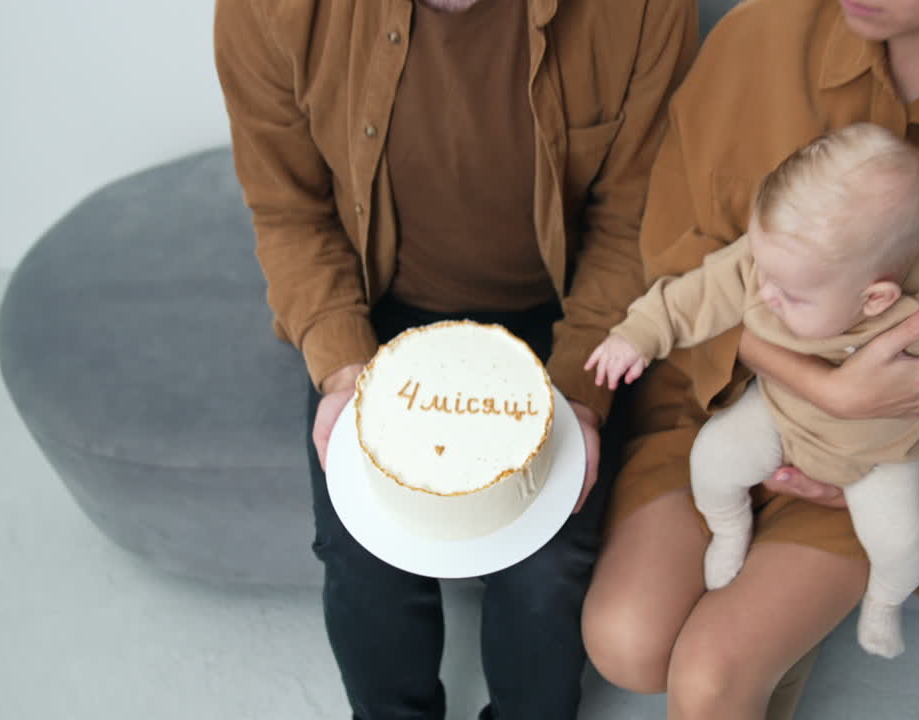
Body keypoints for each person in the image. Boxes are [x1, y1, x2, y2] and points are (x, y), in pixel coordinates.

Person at [581, 1, 919, 718]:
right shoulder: (760, 35)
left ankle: (775, 636)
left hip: (879, 457)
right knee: (628, 644)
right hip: (709, 406)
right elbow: (680, 268)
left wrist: (886, 467)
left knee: (713, 681)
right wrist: (821, 386)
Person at [213, 1, 698, 718]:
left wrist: (578, 397)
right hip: (375, 307)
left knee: (548, 561)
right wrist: (345, 370)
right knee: (362, 547)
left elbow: (632, 222)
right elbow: (290, 211)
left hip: (561, 312)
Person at [585, 122, 919, 659]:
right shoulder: (779, 260)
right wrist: (637, 336)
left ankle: (883, 600)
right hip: (781, 410)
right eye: (762, 273)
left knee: (900, 547)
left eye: (790, 295)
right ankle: (730, 530)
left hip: (885, 450)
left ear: (876, 298)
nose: (765, 294)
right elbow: (697, 293)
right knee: (711, 460)